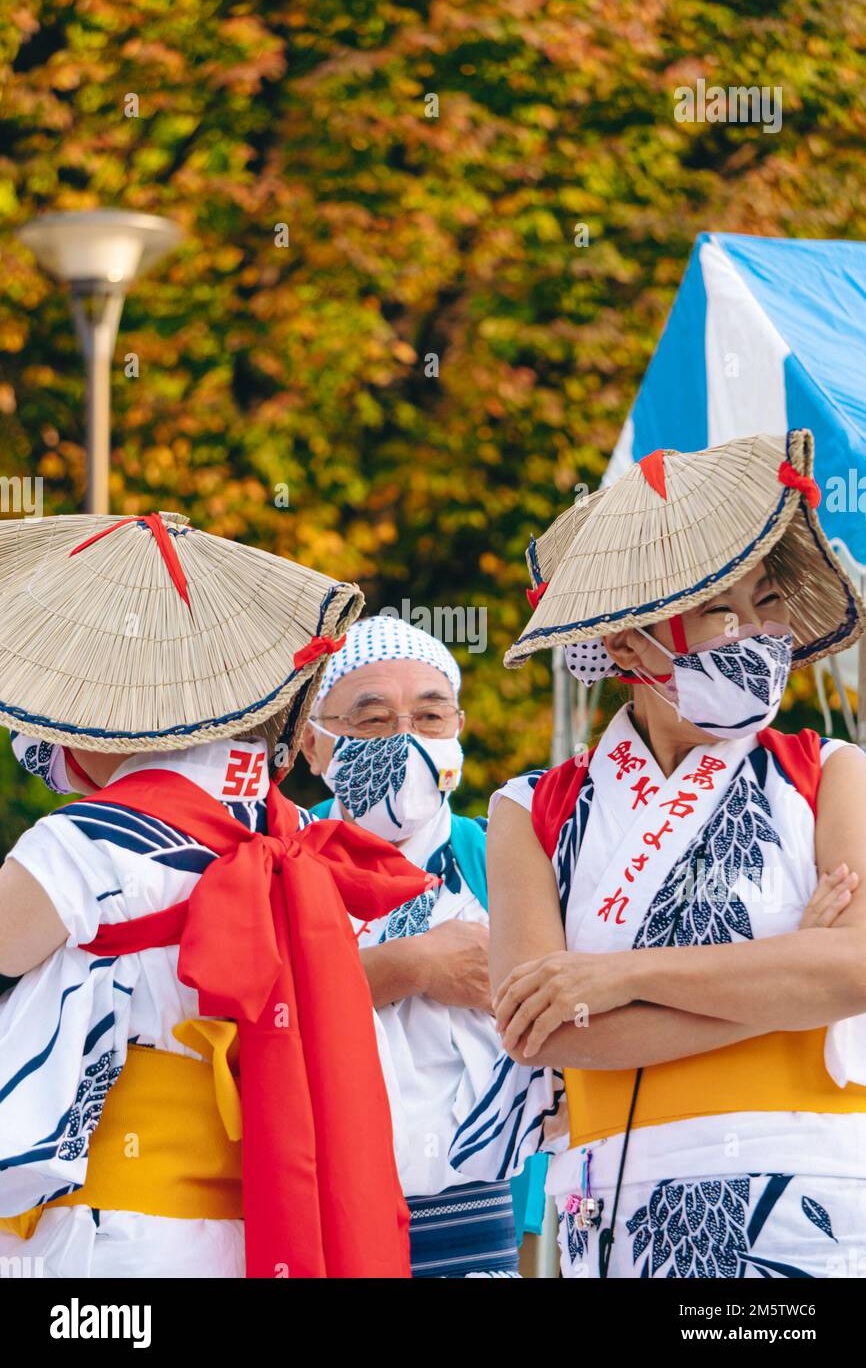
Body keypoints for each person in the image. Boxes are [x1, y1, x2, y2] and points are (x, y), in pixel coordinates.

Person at [452, 430, 866, 1278]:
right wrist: (792, 978)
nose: (756, 634)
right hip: (614, 1204)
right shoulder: (530, 808)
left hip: (811, 1195)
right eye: (722, 611)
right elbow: (539, 1032)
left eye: (768, 602)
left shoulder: (830, 771)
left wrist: (616, 977)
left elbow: (857, 967)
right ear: (631, 644)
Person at [0, 510, 433, 1278]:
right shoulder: (294, 831)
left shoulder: (86, 843)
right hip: (260, 1226)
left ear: (106, 707)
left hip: (112, 1237)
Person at [301, 614, 545, 1276]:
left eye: (430, 718)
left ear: (458, 731)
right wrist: (412, 966)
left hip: (484, 1216)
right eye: (373, 721)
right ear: (313, 744)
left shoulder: (507, 857)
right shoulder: (281, 861)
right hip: (321, 1218)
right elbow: (262, 1012)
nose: (405, 742)